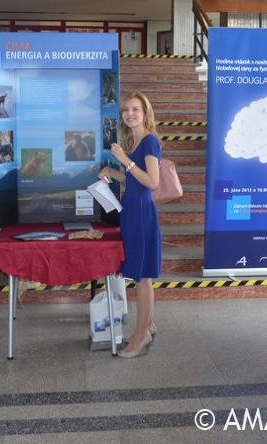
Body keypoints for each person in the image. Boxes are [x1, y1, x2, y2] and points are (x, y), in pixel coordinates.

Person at [98, 92, 161, 359]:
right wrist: (113, 172)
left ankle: (140, 335)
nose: (130, 114)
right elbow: (132, 179)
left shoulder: (149, 141)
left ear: (145, 113)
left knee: (142, 277)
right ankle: (149, 325)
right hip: (132, 209)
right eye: (125, 110)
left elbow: (152, 182)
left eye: (135, 109)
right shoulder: (135, 141)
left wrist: (125, 160)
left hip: (142, 212)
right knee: (139, 272)